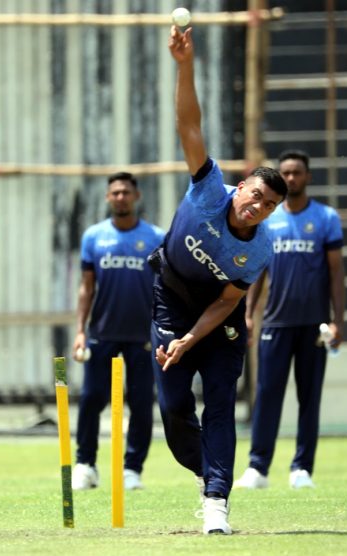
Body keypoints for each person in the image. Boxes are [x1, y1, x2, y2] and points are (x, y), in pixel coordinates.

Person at [149, 25, 287, 535]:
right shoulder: (209, 191)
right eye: (254, 195)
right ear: (241, 186)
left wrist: (191, 340)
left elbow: (229, 301)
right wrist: (184, 66)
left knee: (222, 402)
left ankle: (216, 499)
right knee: (174, 406)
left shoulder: (260, 248)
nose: (256, 207)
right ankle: (205, 471)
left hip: (217, 318)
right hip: (169, 297)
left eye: (268, 206)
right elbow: (189, 124)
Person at [234, 149, 346, 490]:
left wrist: (338, 319)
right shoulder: (269, 219)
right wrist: (249, 315)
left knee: (309, 397)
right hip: (275, 322)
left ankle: (301, 469)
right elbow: (257, 269)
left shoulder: (326, 218)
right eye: (286, 173)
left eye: (297, 172)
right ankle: (258, 467)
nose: (292, 178)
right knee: (267, 394)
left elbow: (337, 271)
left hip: (313, 324)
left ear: (308, 177)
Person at [71, 171, 165, 491]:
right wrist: (80, 331)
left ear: (136, 196)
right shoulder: (94, 237)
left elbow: (166, 289)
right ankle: (86, 464)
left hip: (143, 335)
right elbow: (86, 289)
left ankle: (132, 469)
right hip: (103, 332)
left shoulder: (155, 237)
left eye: (126, 192)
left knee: (140, 402)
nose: (121, 197)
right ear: (108, 198)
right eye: (115, 193)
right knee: (91, 399)